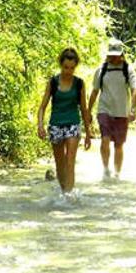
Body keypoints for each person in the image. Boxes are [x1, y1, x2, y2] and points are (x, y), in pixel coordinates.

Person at [36, 48, 93, 194]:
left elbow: (84, 109)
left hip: (73, 124)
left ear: (75, 67)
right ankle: (64, 192)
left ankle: (68, 195)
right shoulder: (53, 82)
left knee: (70, 161)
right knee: (60, 163)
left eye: (72, 68)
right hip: (56, 125)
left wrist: (88, 133)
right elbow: (42, 107)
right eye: (66, 67)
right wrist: (40, 125)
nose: (68, 71)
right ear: (61, 65)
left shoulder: (79, 83)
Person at [88, 39, 136, 180]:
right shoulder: (101, 70)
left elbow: (134, 90)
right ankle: (105, 170)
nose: (114, 57)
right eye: (112, 55)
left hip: (122, 112)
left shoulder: (128, 70)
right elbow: (95, 91)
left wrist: (133, 110)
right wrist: (88, 110)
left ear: (122, 54)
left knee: (118, 145)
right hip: (104, 110)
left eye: (117, 55)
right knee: (104, 139)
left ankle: (117, 174)